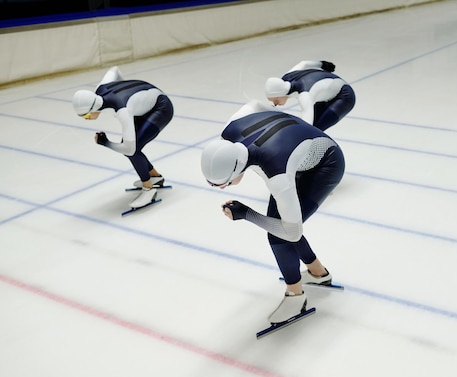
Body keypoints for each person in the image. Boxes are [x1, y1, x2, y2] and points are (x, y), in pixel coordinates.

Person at [200, 100, 345, 324]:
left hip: (326, 165)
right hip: (299, 153)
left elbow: (292, 232)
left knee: (278, 235)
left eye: (223, 184)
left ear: (236, 168)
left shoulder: (277, 174)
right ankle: (318, 273)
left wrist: (247, 214)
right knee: (280, 224)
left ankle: (296, 296)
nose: (223, 188)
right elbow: (255, 104)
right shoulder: (230, 129)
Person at [71, 66, 174, 209]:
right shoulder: (100, 89)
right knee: (130, 145)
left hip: (161, 108)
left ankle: (149, 189)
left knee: (132, 149)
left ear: (92, 108)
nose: (87, 119)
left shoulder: (123, 110)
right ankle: (155, 177)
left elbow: (129, 149)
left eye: (86, 116)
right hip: (145, 104)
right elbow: (115, 70)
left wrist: (106, 143)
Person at [264, 60, 356, 131]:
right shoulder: (286, 78)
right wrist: (323, 64)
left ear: (280, 94)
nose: (275, 104)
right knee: (305, 126)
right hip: (328, 92)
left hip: (344, 97)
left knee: (314, 130)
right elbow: (303, 63)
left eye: (275, 99)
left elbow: (308, 126)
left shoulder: (305, 95)